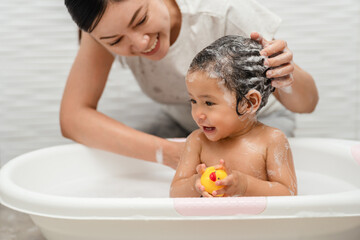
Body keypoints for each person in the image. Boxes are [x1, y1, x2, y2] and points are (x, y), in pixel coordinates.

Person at [61, 0, 318, 170]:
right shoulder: (101, 30)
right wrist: (170, 153)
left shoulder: (222, 12)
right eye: (116, 41)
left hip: (256, 124)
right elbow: (73, 119)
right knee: (124, 169)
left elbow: (307, 104)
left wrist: (285, 75)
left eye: (140, 20)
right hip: (185, 125)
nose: (140, 44)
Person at [170, 35, 297, 197]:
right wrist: (196, 183)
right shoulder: (197, 142)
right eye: (193, 101)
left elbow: (288, 194)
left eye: (208, 103)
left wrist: (245, 186)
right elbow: (175, 192)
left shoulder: (271, 140)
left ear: (249, 102)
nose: (197, 114)